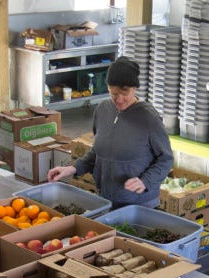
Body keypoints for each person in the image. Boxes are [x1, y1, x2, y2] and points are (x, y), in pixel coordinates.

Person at [48, 56, 173, 209]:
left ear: (134, 88)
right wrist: (72, 168)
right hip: (106, 199)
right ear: (108, 88)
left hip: (140, 205)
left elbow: (165, 159)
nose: (119, 99)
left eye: (124, 93)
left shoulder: (148, 118)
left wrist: (145, 181)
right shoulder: (102, 110)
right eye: (114, 94)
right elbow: (98, 152)